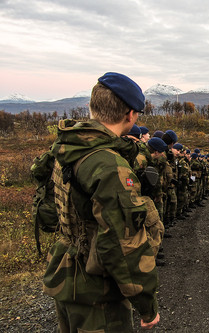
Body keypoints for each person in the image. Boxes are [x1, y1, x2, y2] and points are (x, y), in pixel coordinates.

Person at [41, 72, 161, 331]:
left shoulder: (65, 148)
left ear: (92, 107)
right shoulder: (107, 165)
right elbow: (121, 244)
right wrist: (146, 306)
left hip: (67, 278)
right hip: (98, 293)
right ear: (130, 115)